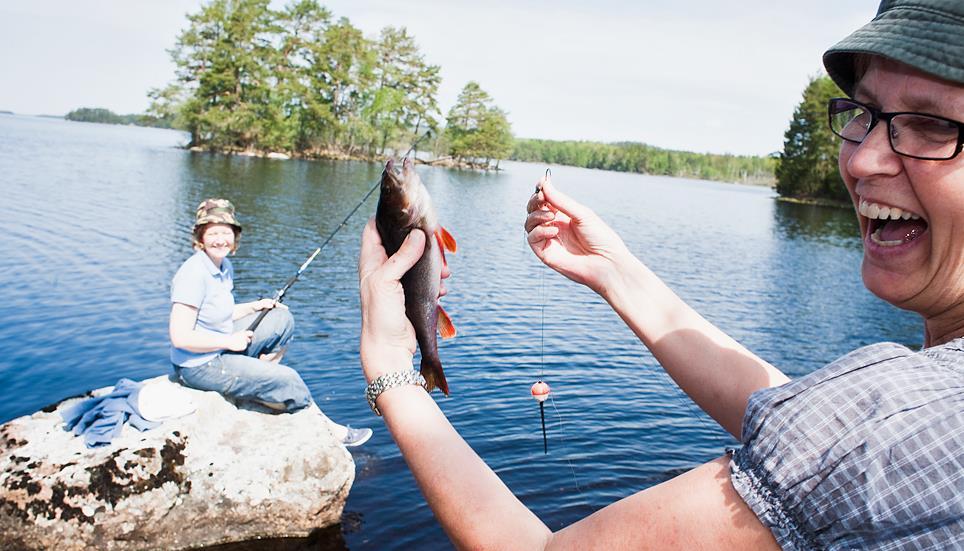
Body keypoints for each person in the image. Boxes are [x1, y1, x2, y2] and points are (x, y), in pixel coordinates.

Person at [356, 0, 963, 548]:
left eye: (934, 124)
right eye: (864, 114)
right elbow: (798, 420)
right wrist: (614, 269)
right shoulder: (895, 419)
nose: (862, 158)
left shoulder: (898, 428)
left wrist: (392, 370)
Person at [171, 198, 372, 447]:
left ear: (235, 237)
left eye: (226, 232)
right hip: (199, 366)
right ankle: (329, 430)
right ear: (200, 237)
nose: (220, 239)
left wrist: (255, 306)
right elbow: (180, 336)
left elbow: (216, 313)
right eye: (213, 233)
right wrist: (229, 341)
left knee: (280, 319)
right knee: (289, 378)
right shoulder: (193, 274)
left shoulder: (223, 266)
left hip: (218, 348)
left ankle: (259, 384)